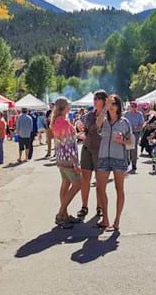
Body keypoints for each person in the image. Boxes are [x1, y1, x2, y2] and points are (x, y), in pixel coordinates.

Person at [96, 94, 132, 231]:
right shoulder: (103, 120)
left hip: (119, 158)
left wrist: (122, 141)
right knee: (100, 188)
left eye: (114, 104)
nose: (111, 106)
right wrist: (104, 107)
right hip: (103, 157)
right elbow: (97, 125)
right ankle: (105, 219)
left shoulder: (124, 122)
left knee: (119, 189)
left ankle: (117, 221)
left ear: (119, 106)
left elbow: (131, 142)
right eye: (109, 103)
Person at [51, 97, 82, 228]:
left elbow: (65, 140)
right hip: (68, 159)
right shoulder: (64, 123)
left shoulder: (56, 121)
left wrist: (76, 135)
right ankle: (60, 213)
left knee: (65, 183)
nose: (70, 107)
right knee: (78, 183)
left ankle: (64, 214)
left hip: (60, 158)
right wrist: (76, 163)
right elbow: (68, 145)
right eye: (69, 105)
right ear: (64, 108)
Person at [77, 90, 107, 222]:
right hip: (87, 148)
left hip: (101, 150)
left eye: (98, 98)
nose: (95, 100)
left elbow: (100, 127)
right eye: (94, 98)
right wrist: (81, 130)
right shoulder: (89, 115)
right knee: (85, 179)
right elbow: (82, 128)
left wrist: (105, 110)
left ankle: (99, 207)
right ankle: (84, 206)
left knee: (100, 181)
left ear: (104, 101)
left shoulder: (108, 116)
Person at [123, 102, 145, 173]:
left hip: (136, 132)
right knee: (126, 147)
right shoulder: (126, 114)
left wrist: (137, 127)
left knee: (134, 148)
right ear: (130, 107)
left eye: (135, 106)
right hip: (127, 132)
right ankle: (127, 162)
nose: (133, 108)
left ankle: (134, 164)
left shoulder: (139, 114)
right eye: (132, 106)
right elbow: (123, 122)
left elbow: (142, 124)